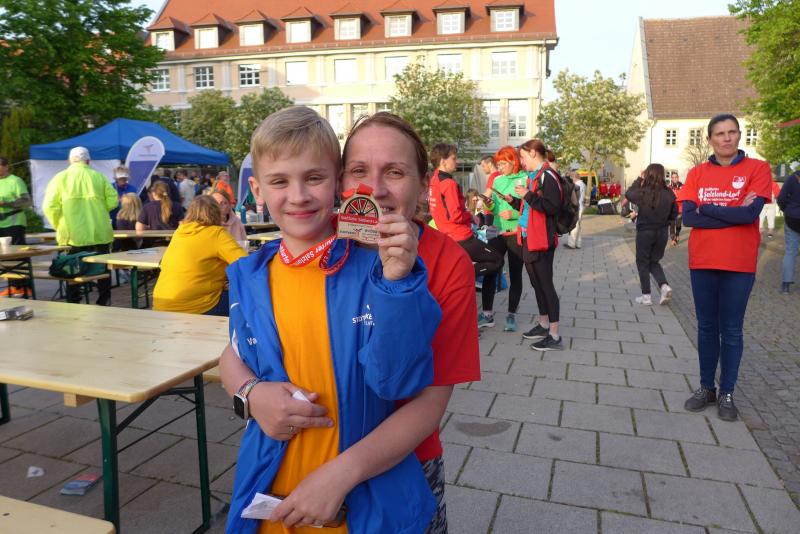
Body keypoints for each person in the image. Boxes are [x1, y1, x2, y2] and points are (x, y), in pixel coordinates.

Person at [219, 107, 441, 533]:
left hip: (361, 505)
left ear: (338, 184)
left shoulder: (377, 270)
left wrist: (398, 284)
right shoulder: (248, 276)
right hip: (270, 495)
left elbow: (396, 382)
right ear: (256, 190)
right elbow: (233, 353)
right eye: (279, 181)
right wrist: (250, 393)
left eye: (314, 178)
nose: (298, 195)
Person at [679, 114, 772, 422]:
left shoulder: (757, 169)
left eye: (732, 132)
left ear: (739, 135)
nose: (726, 138)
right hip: (703, 261)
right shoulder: (697, 173)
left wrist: (707, 208)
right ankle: (707, 388)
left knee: (731, 330)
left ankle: (727, 392)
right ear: (710, 140)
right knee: (706, 327)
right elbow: (689, 218)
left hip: (739, 263)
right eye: (719, 133)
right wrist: (733, 211)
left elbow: (750, 215)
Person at [427, 143, 503, 328]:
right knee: (497, 261)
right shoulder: (449, 184)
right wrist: (470, 216)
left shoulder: (434, 181)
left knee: (490, 262)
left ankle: (484, 312)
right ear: (443, 161)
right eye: (454, 158)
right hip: (461, 237)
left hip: (446, 237)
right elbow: (455, 215)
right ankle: (465, 277)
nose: (457, 161)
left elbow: (440, 211)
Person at [42, 146, 116, 305]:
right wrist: (98, 211)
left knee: (72, 269)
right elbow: (113, 201)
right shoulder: (99, 177)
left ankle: (74, 301)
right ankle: (104, 300)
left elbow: (49, 206)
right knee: (102, 268)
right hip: (99, 232)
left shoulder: (60, 178)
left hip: (72, 234)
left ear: (69, 160)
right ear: (88, 161)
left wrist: (58, 224)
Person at [153, 195, 246, 316]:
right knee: (248, 297)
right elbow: (245, 263)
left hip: (161, 305)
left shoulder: (180, 232)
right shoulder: (216, 233)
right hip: (196, 306)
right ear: (216, 213)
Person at [515, 141, 563, 351]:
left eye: (523, 156)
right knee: (536, 284)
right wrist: (515, 200)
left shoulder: (548, 176)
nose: (521, 161)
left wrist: (527, 194)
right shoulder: (534, 176)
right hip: (529, 237)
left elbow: (552, 207)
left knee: (546, 285)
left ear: (534, 153)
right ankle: (544, 324)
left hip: (541, 239)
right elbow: (531, 206)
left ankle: (554, 335)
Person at [484, 146, 527, 332]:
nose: (499, 167)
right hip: (496, 230)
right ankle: (486, 313)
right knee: (490, 270)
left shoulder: (525, 178)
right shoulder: (497, 180)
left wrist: (514, 214)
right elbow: (494, 208)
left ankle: (511, 315)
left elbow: (530, 209)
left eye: (503, 164)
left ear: (513, 162)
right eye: (498, 164)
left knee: (516, 273)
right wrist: (489, 204)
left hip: (515, 232)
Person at [625, 163, 677, 305]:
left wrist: (639, 179)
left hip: (645, 231)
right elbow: (674, 214)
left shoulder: (643, 191)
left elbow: (629, 194)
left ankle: (646, 296)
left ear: (648, 174)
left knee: (642, 261)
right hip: (662, 232)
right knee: (654, 261)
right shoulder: (669, 193)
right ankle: (664, 286)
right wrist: (665, 222)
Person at [0, 155, 32, 296]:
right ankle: (12, 286)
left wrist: (6, 203)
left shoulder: (16, 181)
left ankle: (24, 287)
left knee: (18, 255)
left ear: (6, 166)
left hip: (15, 223)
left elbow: (26, 201)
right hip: (1, 224)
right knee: (4, 257)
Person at [777, 166, 800, 294]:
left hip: (793, 218)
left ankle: (786, 285)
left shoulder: (792, 178)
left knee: (791, 251)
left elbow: (781, 198)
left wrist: (786, 209)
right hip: (793, 216)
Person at [566, 170, 587, 249]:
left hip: (576, 207)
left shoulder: (576, 185)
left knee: (574, 225)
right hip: (581, 206)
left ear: (574, 178)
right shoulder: (583, 184)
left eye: (571, 178)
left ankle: (571, 244)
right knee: (578, 226)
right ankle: (578, 243)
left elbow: (573, 198)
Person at [667, 171, 684, 246]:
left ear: (678, 178)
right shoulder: (669, 187)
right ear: (671, 178)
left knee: (678, 224)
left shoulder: (683, 187)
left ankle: (677, 234)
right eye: (673, 177)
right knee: (672, 224)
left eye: (676, 177)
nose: (674, 179)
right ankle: (673, 239)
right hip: (671, 209)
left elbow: (685, 196)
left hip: (680, 208)